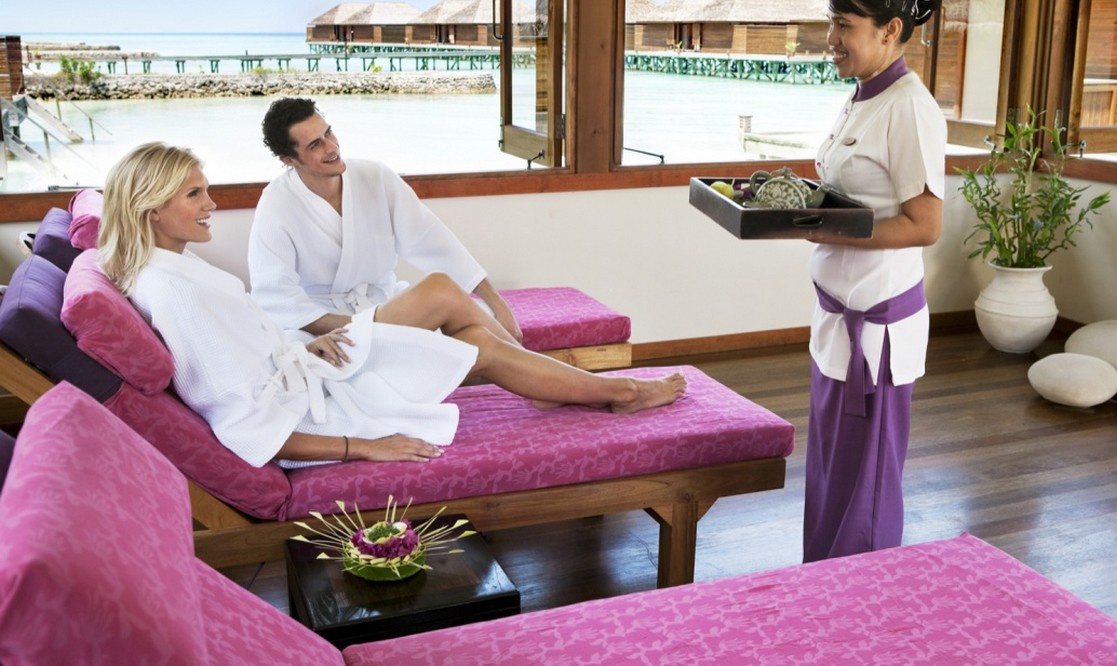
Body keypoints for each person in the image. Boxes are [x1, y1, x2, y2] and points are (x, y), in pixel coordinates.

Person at [99, 143, 686, 470]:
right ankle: (620, 393)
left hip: (314, 364)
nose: (212, 204)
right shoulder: (174, 290)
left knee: (449, 306)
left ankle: (570, 384)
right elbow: (244, 421)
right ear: (152, 209)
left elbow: (251, 344)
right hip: (318, 406)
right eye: (195, 194)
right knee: (475, 345)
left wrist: (304, 344)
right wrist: (364, 447)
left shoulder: (170, 267)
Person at [801, 0, 946, 562]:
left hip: (877, 336)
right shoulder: (861, 97)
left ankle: (864, 607)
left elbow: (924, 225)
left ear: (889, 29)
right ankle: (823, 587)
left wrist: (816, 225)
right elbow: (851, 194)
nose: (831, 39)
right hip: (838, 321)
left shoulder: (909, 107)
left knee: (867, 491)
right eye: (830, 22)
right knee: (834, 473)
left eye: (843, 24)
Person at [248, 97, 522, 345]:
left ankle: (542, 382)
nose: (332, 147)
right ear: (288, 159)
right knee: (304, 359)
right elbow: (276, 295)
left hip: (384, 306)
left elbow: (430, 239)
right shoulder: (276, 204)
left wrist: (496, 302)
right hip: (323, 325)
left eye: (328, 132)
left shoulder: (374, 177)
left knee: (474, 333)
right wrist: (359, 327)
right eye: (315, 144)